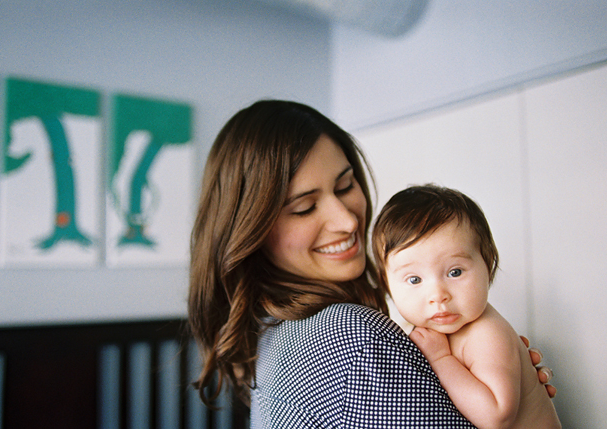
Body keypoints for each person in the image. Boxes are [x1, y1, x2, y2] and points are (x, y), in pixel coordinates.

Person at [188, 100, 555, 428]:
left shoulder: (272, 332)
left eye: (346, 186)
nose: (347, 222)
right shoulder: (349, 337)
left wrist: (496, 373)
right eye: (304, 207)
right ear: (252, 230)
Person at [372, 184, 561, 428]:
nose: (438, 295)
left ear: (488, 264)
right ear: (387, 284)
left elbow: (496, 416)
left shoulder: (486, 333)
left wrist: (441, 360)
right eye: (414, 279)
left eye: (455, 271)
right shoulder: (423, 328)